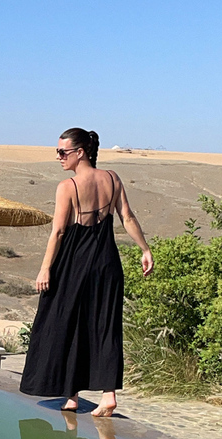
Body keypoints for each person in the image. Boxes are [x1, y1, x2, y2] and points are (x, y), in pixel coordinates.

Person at [19, 128, 154, 417]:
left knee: (63, 322)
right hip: (107, 263)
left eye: (62, 152)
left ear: (80, 152)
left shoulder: (67, 186)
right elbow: (127, 217)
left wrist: (45, 269)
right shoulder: (113, 179)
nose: (58, 157)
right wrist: (145, 249)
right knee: (105, 326)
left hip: (73, 265)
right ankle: (104, 396)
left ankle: (71, 395)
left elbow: (57, 232)